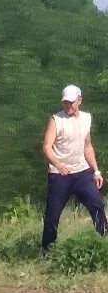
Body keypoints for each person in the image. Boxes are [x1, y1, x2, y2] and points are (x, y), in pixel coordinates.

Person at [41, 84, 106, 253]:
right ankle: (47, 251)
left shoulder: (86, 118)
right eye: (65, 103)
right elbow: (47, 147)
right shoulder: (56, 120)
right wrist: (58, 164)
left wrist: (96, 170)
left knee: (97, 205)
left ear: (79, 101)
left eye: (71, 102)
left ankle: (104, 242)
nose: (68, 106)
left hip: (82, 172)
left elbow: (87, 146)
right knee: (52, 215)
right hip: (60, 174)